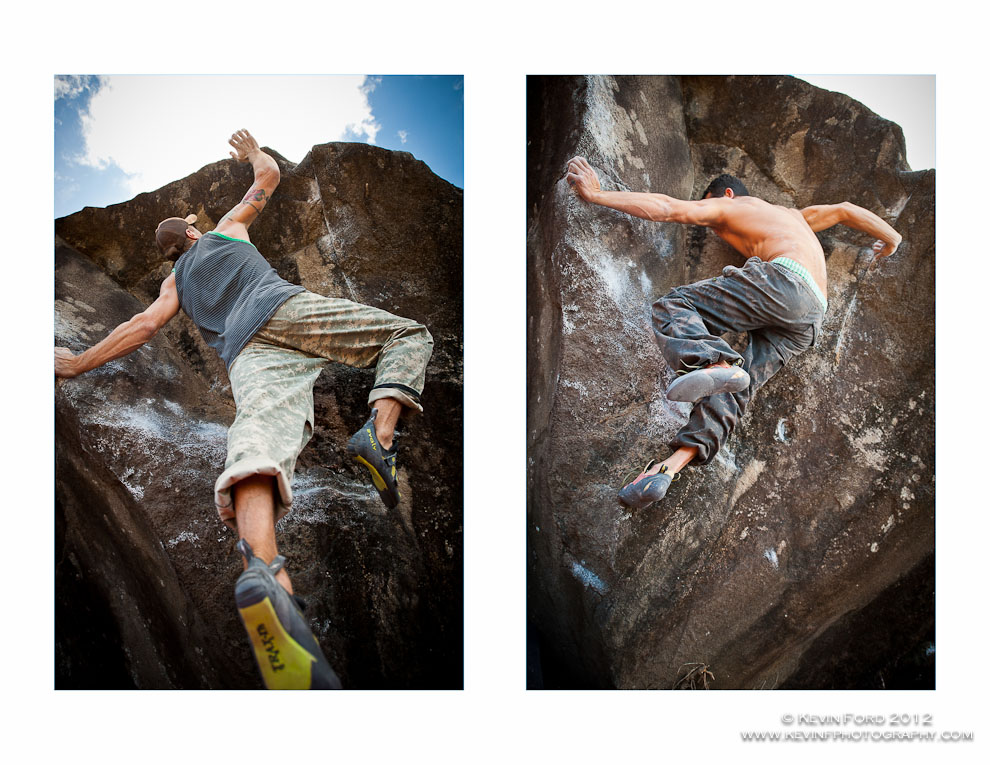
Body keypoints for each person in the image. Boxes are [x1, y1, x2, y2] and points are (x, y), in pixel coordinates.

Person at [55, 129, 434, 689]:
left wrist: (75, 363)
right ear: (190, 232)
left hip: (245, 353)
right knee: (407, 336)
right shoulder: (226, 230)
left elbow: (141, 327)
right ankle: (377, 437)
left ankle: (265, 573)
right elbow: (269, 179)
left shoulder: (173, 283)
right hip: (282, 309)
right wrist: (250, 152)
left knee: (259, 440)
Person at [564, 156, 901, 509]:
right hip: (811, 316)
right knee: (737, 387)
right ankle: (668, 468)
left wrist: (598, 194)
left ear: (726, 194)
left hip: (784, 280)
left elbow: (668, 207)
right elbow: (846, 209)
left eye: (708, 208)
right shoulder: (797, 217)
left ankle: (711, 363)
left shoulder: (732, 207)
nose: (711, 223)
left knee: (673, 306)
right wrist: (891, 238)